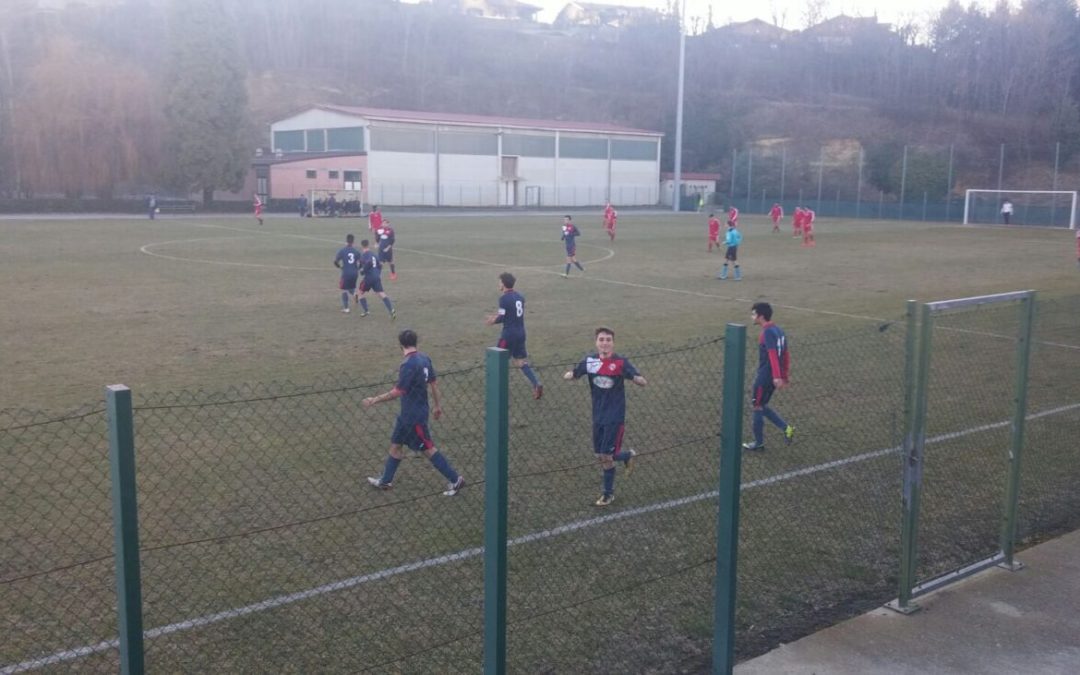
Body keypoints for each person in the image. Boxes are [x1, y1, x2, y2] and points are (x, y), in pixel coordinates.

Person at [363, 329, 465, 496]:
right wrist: (437, 406)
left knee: (428, 449)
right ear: (416, 342)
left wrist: (374, 399)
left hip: (413, 417)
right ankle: (385, 481)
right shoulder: (425, 359)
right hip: (408, 415)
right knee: (396, 445)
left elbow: (398, 391)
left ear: (400, 345)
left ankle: (455, 480)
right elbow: (434, 384)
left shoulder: (408, 364)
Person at [563, 327, 647, 506]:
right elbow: (576, 374)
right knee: (599, 455)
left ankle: (608, 494)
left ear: (613, 343)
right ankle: (627, 456)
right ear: (596, 342)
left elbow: (640, 379)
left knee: (606, 456)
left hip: (614, 416)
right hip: (598, 415)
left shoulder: (620, 362)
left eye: (608, 340)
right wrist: (569, 375)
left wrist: (637, 379)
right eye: (601, 339)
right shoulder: (590, 361)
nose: (605, 343)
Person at [743, 302, 795, 452]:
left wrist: (777, 377)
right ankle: (787, 428)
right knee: (762, 404)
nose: (752, 317)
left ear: (761, 316)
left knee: (757, 406)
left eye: (754, 314)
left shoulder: (767, 333)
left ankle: (758, 443)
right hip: (772, 376)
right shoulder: (779, 330)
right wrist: (784, 375)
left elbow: (772, 354)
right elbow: (785, 355)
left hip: (766, 376)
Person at [485, 272, 543, 400]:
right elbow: (510, 314)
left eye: (500, 282)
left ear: (504, 284)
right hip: (521, 333)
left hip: (508, 335)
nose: (498, 284)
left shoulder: (503, 299)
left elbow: (502, 317)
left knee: (498, 359)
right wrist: (496, 317)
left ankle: (496, 389)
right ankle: (536, 383)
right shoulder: (520, 296)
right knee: (520, 361)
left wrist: (492, 320)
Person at [356, 238, 396, 320]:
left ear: (362, 246)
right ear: (368, 245)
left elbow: (366, 264)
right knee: (381, 293)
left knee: (360, 293)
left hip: (368, 278)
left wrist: (362, 271)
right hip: (376, 277)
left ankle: (366, 311)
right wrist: (377, 273)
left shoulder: (363, 256)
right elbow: (380, 265)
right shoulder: (374, 255)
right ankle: (391, 310)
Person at [333, 233, 361, 313]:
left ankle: (346, 308)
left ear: (346, 241)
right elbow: (362, 262)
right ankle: (355, 294)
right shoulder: (356, 251)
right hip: (355, 273)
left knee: (344, 290)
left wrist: (340, 267)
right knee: (350, 287)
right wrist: (358, 268)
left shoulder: (342, 251)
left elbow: (335, 262)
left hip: (346, 273)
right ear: (353, 242)